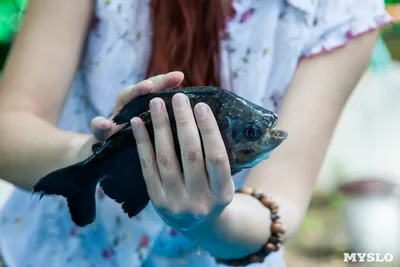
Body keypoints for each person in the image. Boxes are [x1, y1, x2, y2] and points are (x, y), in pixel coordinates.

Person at [0, 0, 392, 266]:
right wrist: (91, 152)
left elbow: (279, 203)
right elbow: (9, 128)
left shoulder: (342, 11)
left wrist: (208, 219)